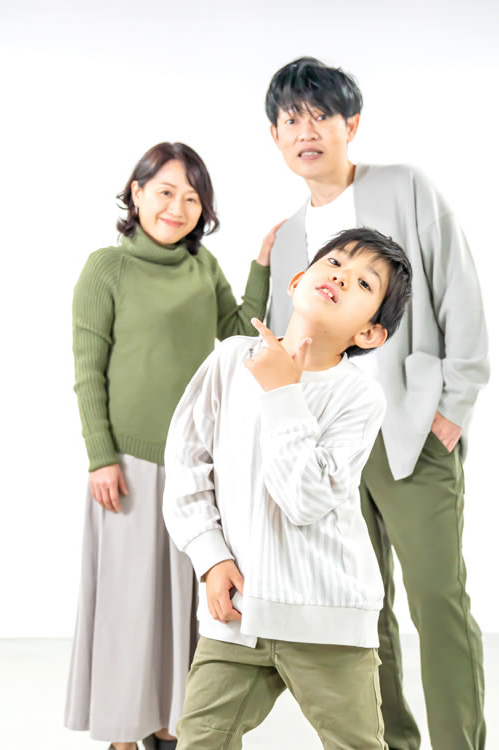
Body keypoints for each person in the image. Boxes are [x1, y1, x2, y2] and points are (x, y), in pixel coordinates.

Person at [264, 56, 489, 750]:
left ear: (351, 124)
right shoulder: (289, 238)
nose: (306, 131)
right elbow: (280, 341)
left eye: (320, 116)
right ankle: (393, 743)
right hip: (334, 444)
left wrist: (453, 405)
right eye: (291, 119)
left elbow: (459, 291)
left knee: (438, 601)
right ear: (275, 136)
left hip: (413, 432)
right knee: (365, 609)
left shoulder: (405, 187)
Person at [163, 227, 412, 750]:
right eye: (335, 263)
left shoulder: (359, 397)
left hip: (327, 617)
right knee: (199, 741)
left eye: (364, 283)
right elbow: (186, 464)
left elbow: (304, 500)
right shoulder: (230, 360)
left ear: (370, 334)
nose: (341, 277)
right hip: (239, 612)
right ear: (298, 280)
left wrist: (282, 391)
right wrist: (209, 557)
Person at [65, 141, 278, 750]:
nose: (177, 208)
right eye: (165, 192)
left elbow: (237, 335)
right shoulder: (105, 269)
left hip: (195, 464)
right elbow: (88, 371)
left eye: (192, 198)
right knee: (129, 606)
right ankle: (122, 735)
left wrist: (261, 267)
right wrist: (101, 458)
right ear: (136, 193)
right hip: (128, 466)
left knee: (184, 604)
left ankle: (166, 726)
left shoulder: (202, 267)